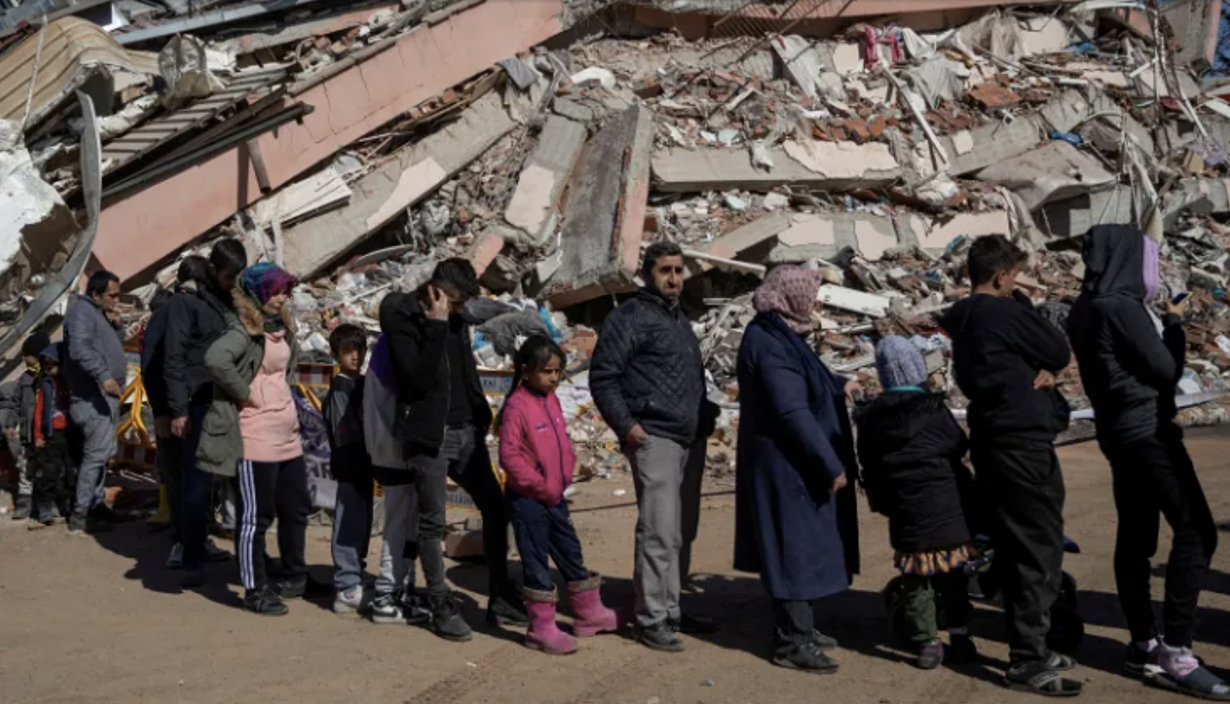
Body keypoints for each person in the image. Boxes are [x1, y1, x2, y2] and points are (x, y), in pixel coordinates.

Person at [1068, 226, 1226, 700]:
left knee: (1136, 537)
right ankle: (1177, 652)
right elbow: (1166, 370)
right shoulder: (1120, 307)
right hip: (1148, 434)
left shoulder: (1085, 307)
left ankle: (1142, 643)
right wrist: (1174, 325)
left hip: (1117, 434)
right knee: (1197, 532)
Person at [939, 235, 1080, 696]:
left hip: (994, 438)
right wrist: (1022, 306)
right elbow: (1056, 350)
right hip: (1022, 443)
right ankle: (1027, 658)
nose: (1017, 283)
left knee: (1016, 540)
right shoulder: (1004, 311)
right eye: (1015, 276)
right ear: (1002, 276)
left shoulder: (962, 317)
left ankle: (1032, 643)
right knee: (1038, 547)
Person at [374, 258, 527, 639]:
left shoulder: (457, 315)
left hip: (466, 430)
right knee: (433, 521)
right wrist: (437, 325)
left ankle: (501, 593)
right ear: (436, 291)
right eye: (456, 302)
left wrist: (480, 412)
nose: (461, 310)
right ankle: (440, 604)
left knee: (495, 506)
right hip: (430, 435)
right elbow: (415, 381)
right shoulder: (400, 313)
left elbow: (464, 365)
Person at [590, 241, 717, 653]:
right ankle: (650, 619)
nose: (674, 279)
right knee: (658, 531)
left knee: (678, 533)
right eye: (665, 270)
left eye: (679, 270)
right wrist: (628, 428)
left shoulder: (678, 319)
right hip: (655, 438)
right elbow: (603, 377)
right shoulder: (629, 317)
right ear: (647, 273)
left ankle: (671, 609)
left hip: (688, 439)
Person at [733, 265, 859, 674]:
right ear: (791, 296)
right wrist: (829, 462)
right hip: (784, 465)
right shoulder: (768, 341)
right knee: (791, 548)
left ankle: (801, 627)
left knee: (800, 545)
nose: (815, 302)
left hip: (791, 463)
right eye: (810, 294)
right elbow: (791, 410)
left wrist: (839, 384)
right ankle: (792, 641)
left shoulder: (782, 333)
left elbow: (807, 378)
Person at [854, 336, 976, 670]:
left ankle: (927, 644)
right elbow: (958, 444)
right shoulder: (934, 409)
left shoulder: (872, 418)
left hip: (905, 509)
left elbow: (868, 463)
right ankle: (960, 637)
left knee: (916, 580)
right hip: (946, 505)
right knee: (953, 575)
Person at [203, 263, 315, 615]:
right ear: (258, 292)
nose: (283, 297)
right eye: (277, 291)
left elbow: (284, 371)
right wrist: (246, 394)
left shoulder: (279, 326)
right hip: (256, 437)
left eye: (286, 291)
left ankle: (295, 575)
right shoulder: (243, 329)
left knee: (296, 508)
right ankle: (255, 589)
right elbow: (215, 359)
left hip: (287, 436)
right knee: (255, 517)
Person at [498, 336, 620, 655]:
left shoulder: (550, 399)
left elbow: (561, 439)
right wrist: (542, 486)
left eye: (558, 371)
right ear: (526, 370)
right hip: (528, 500)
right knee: (536, 561)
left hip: (554, 495)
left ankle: (589, 613)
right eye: (547, 371)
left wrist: (566, 470)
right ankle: (541, 629)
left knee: (570, 550)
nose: (554, 378)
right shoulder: (516, 406)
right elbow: (509, 457)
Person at [166, 242, 244, 585]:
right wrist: (178, 410)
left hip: (232, 404)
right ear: (213, 270)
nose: (232, 282)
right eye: (228, 276)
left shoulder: (233, 301)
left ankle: (249, 560)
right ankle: (192, 558)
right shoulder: (186, 302)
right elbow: (174, 358)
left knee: (243, 485)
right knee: (196, 488)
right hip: (199, 405)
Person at [63, 269, 128, 535]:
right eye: (112, 295)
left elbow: (111, 347)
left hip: (104, 398)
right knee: (94, 457)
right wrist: (103, 375)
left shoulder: (97, 314)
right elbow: (79, 349)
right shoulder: (81, 313)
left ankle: (96, 505)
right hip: (92, 398)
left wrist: (117, 326)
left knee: (101, 456)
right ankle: (80, 515)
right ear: (96, 294)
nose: (116, 300)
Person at [324, 324, 375, 615]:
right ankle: (346, 586)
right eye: (347, 351)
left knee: (362, 523)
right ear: (335, 355)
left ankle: (356, 575)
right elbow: (343, 433)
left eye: (359, 350)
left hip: (365, 465)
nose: (355, 356)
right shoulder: (340, 389)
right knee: (349, 523)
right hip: (350, 465)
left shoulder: (363, 383)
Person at [28, 344, 72, 530]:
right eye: (45, 367)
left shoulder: (71, 381)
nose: (48, 370)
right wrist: (38, 435)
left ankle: (68, 506)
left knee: (70, 472)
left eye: (51, 366)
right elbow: (39, 412)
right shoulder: (46, 384)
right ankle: (45, 508)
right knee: (50, 471)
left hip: (70, 432)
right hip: (52, 434)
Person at [9, 332, 51, 521]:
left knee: (47, 468)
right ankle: (24, 503)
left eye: (28, 356)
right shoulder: (25, 379)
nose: (25, 360)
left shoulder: (51, 377)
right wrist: (11, 424)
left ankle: (46, 505)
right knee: (25, 465)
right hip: (28, 432)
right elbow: (14, 403)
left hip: (47, 432)